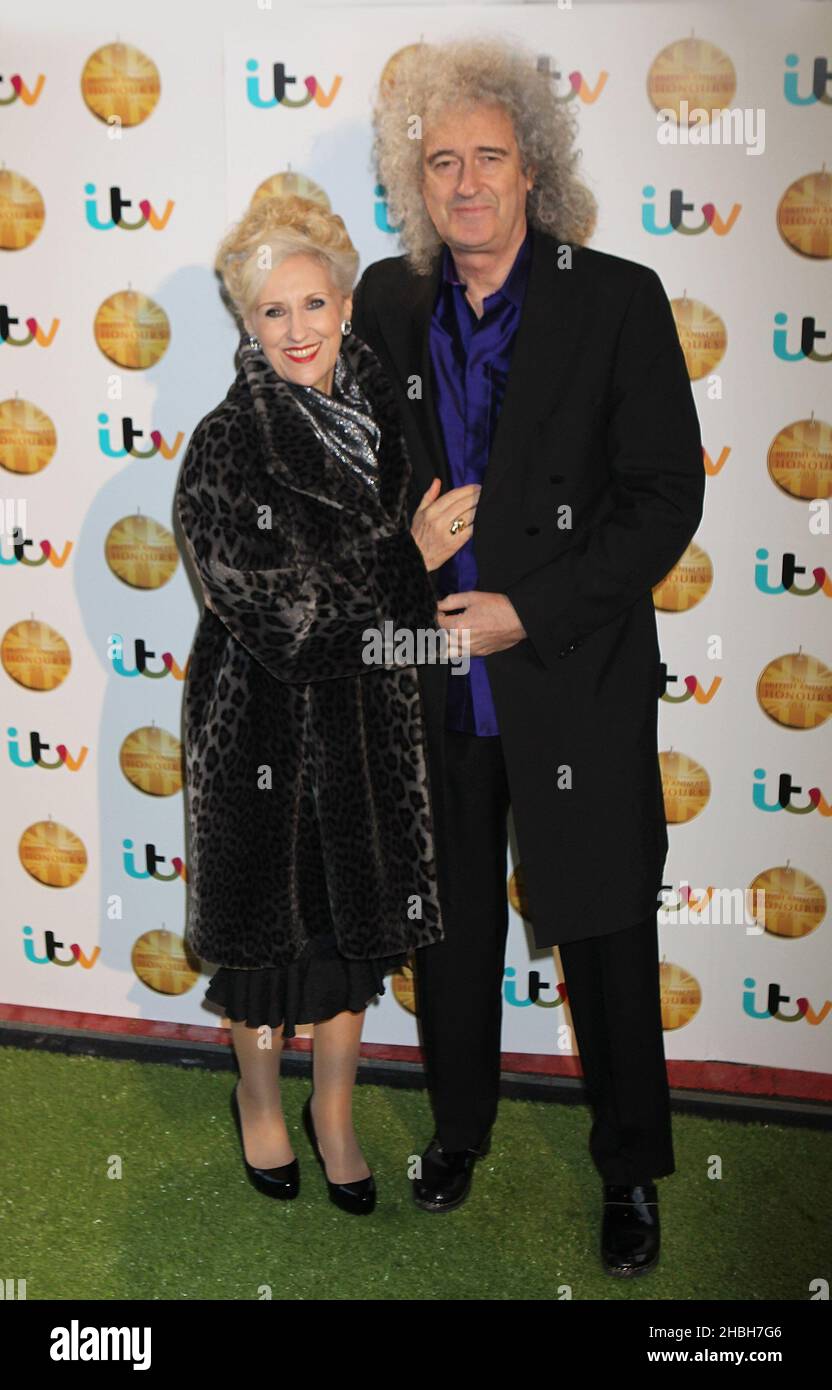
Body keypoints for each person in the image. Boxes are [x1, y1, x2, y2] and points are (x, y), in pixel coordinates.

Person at [350, 38, 705, 1272]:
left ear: (531, 171)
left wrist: (527, 607)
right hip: (435, 680)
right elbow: (360, 484)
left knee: (605, 928)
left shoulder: (615, 297)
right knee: (446, 921)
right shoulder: (387, 304)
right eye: (439, 161)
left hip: (574, 678)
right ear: (416, 179)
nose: (464, 182)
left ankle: (632, 1170)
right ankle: (457, 1131)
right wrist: (401, 540)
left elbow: (661, 502)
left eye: (487, 158)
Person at [174, 194, 479, 1215]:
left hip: (366, 729)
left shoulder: (386, 426)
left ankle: (335, 1114)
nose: (298, 329)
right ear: (245, 323)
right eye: (273, 311)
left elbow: (390, 602)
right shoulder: (223, 445)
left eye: (314, 303)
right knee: (268, 941)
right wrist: (406, 562)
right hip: (260, 725)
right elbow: (284, 617)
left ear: (346, 305)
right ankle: (258, 1096)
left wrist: (415, 595)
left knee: (354, 939)